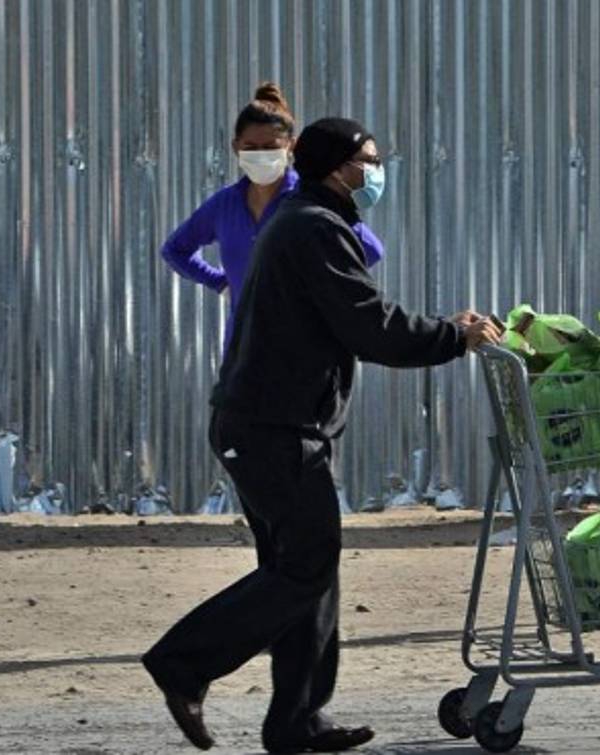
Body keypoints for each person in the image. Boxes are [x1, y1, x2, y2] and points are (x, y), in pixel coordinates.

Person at [143, 117, 502, 753]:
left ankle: (297, 720)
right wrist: (453, 338)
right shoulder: (312, 227)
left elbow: (360, 316)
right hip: (272, 429)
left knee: (307, 571)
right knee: (305, 567)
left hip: (271, 424)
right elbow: (370, 325)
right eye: (370, 158)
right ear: (339, 167)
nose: (377, 170)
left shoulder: (311, 221)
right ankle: (184, 662)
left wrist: (446, 327)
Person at [160, 82, 385, 348]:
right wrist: (220, 282)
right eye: (251, 147)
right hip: (242, 353)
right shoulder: (225, 205)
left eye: (270, 147)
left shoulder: (310, 202)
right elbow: (175, 250)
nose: (261, 155)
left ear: (291, 146)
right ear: (236, 148)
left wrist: (320, 288)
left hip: (302, 352)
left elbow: (370, 249)